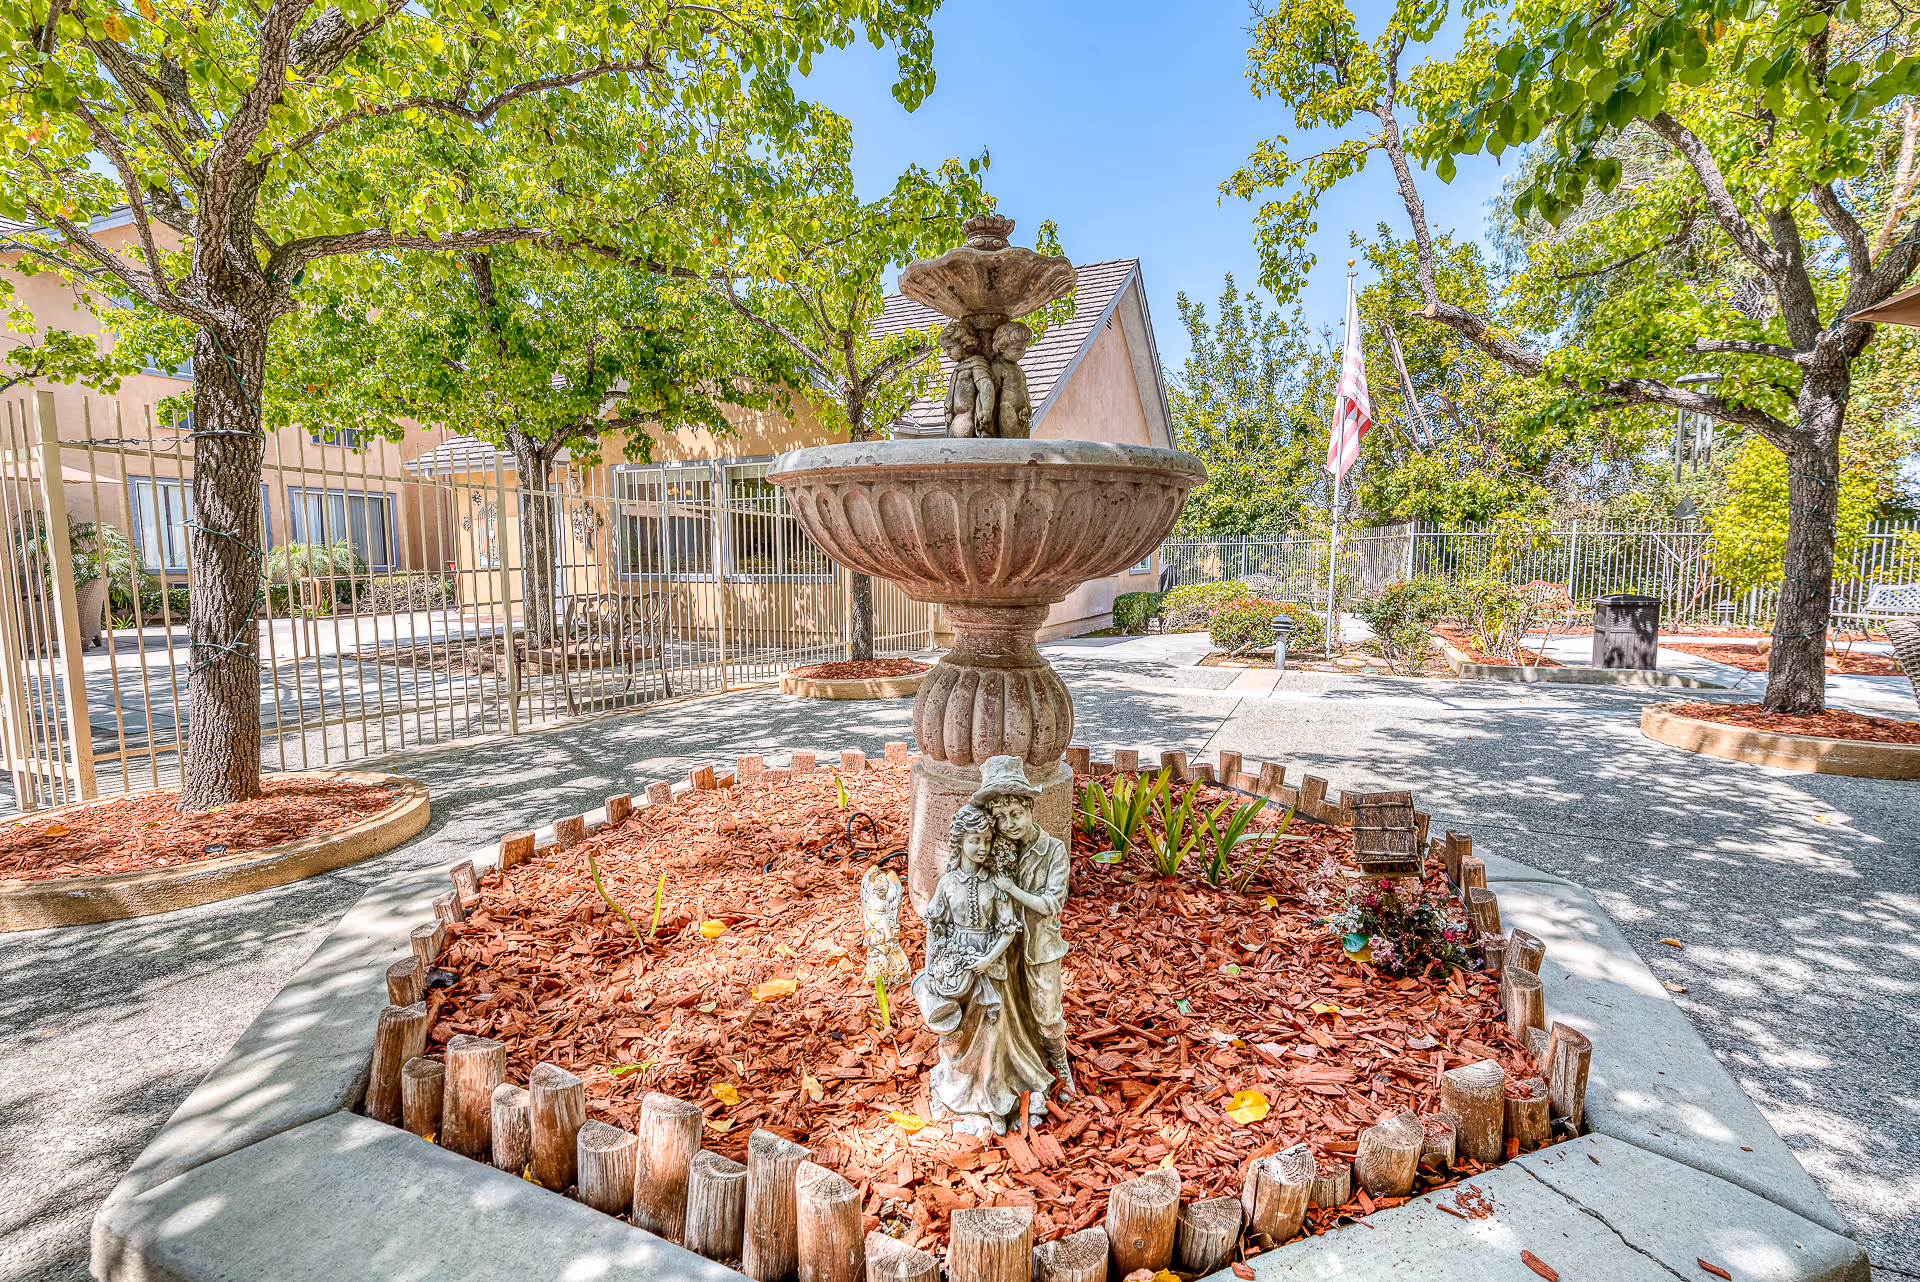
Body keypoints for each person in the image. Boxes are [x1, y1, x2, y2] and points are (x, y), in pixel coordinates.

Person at [909, 802, 1052, 1135]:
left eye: (987, 840)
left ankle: (994, 1098)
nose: (982, 847)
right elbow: (935, 925)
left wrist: (988, 959)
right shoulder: (947, 884)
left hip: (990, 965)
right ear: (960, 842)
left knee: (993, 1033)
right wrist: (933, 966)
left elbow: (1008, 928)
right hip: (956, 969)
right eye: (975, 840)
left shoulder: (995, 884)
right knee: (959, 1033)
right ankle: (963, 1093)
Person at [970, 754, 1077, 1098]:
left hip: (1039, 945)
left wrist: (1012, 890)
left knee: (1047, 1012)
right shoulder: (996, 850)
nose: (1011, 823)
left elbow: (1051, 904)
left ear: (1031, 808)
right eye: (1001, 818)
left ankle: (1059, 1062)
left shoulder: (1053, 851)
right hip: (1002, 945)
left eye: (1017, 814)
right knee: (998, 1012)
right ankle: (1007, 1069)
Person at [940, 323, 997, 438]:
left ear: (964, 343)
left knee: (957, 451)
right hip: (956, 417)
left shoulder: (976, 364)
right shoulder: (961, 367)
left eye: (950, 348)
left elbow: (985, 385)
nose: (948, 353)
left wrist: (986, 412)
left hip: (965, 417)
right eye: (946, 350)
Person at [987, 323, 1033, 439]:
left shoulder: (1018, 369)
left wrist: (1027, 406)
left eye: (1024, 348)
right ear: (1002, 347)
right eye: (1017, 349)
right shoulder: (998, 367)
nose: (1021, 352)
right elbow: (993, 393)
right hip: (1007, 408)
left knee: (1023, 439)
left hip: (1023, 411)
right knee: (1010, 440)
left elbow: (1023, 389)